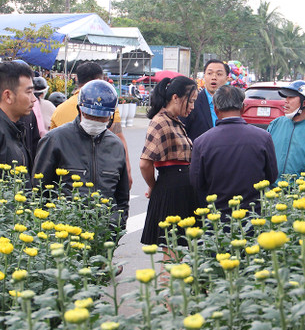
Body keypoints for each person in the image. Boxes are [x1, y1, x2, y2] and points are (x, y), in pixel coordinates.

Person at [33, 79, 129, 231]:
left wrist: (117, 224)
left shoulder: (116, 146)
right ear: (79, 110)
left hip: (103, 232)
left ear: (111, 116)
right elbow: (38, 190)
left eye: (101, 117)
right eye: (90, 115)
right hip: (64, 232)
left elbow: (122, 197)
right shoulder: (55, 140)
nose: (95, 121)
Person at [190, 85, 278, 213]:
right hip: (254, 215)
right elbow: (272, 176)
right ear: (243, 108)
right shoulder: (263, 138)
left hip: (217, 216)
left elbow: (197, 182)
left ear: (216, 109)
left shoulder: (201, 142)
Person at [50, 62, 133, 186]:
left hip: (67, 180)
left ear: (77, 79)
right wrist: (127, 172)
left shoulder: (59, 110)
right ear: (99, 80)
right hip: (101, 174)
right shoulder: (107, 107)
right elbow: (119, 138)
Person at [139, 76, 199, 247]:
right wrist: (152, 185)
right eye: (190, 101)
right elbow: (145, 163)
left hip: (180, 190)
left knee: (178, 250)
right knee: (172, 250)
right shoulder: (160, 121)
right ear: (175, 98)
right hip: (171, 191)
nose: (192, 106)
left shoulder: (173, 121)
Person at [180, 59, 230, 142]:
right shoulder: (192, 104)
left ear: (227, 79)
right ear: (204, 77)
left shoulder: (232, 104)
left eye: (219, 74)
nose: (214, 78)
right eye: (209, 73)